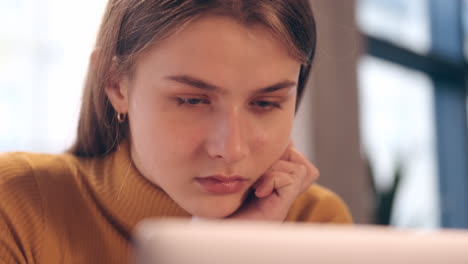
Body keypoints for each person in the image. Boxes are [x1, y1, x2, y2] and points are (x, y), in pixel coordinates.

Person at [0, 0, 352, 263]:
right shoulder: (16, 206)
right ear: (116, 84)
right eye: (192, 100)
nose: (231, 149)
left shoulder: (316, 223)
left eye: (266, 103)